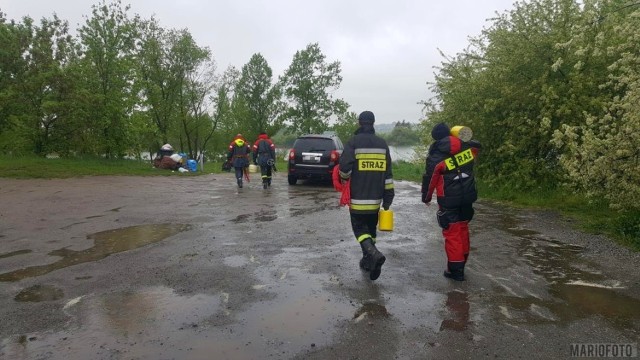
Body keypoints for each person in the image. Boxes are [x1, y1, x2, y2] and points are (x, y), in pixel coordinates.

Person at [338, 111, 394, 281]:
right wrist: (388, 196)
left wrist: (343, 178)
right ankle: (368, 261)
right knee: (371, 230)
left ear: (360, 122)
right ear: (373, 123)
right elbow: (388, 173)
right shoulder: (382, 144)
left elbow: (344, 167)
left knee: (359, 230)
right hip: (376, 199)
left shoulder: (354, 142)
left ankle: (374, 254)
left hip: (358, 198)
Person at [421, 122, 480, 281]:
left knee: (452, 233)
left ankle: (456, 271)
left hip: (448, 198)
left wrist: (426, 197)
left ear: (436, 139)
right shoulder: (468, 149)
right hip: (468, 196)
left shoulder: (436, 156)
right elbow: (477, 147)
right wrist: (462, 139)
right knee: (463, 229)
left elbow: (430, 178)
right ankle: (462, 265)